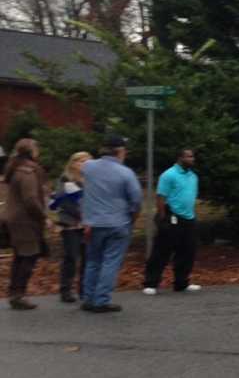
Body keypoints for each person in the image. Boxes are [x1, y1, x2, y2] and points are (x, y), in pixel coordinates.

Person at [81, 134, 142, 313]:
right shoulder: (125, 173)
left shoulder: (89, 167)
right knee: (110, 262)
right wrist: (132, 217)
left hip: (93, 222)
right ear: (120, 151)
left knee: (93, 261)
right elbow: (136, 199)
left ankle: (88, 298)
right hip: (118, 222)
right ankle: (101, 300)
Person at [142, 148, 201, 295]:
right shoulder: (169, 175)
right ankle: (151, 283)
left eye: (193, 157)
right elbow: (161, 197)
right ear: (180, 158)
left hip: (189, 218)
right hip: (171, 215)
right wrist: (163, 217)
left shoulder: (193, 176)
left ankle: (181, 283)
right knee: (162, 250)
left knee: (187, 251)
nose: (192, 159)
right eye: (189, 156)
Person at [3, 138, 50, 311]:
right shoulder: (28, 172)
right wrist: (44, 217)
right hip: (25, 221)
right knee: (29, 257)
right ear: (31, 152)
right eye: (37, 149)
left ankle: (15, 293)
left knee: (20, 257)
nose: (39, 152)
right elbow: (30, 200)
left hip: (14, 218)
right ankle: (19, 295)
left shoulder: (15, 168)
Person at [51, 151, 92, 303]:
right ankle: (66, 289)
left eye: (88, 162)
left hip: (88, 224)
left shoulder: (91, 179)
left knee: (88, 258)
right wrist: (83, 215)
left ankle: (84, 289)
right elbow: (64, 202)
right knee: (71, 257)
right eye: (82, 161)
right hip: (71, 224)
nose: (85, 164)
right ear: (73, 163)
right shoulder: (65, 179)